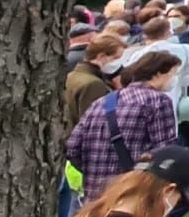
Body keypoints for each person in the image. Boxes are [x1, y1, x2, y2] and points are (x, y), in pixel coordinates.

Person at [66, 49, 181, 204]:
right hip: (133, 194)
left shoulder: (103, 101)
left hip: (95, 194)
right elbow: (165, 151)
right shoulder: (158, 101)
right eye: (173, 73)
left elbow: (72, 147)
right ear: (159, 74)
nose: (174, 79)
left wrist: (94, 170)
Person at [65, 31, 125, 128]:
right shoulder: (93, 84)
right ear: (101, 56)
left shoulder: (73, 75)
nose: (118, 62)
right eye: (116, 58)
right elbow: (94, 123)